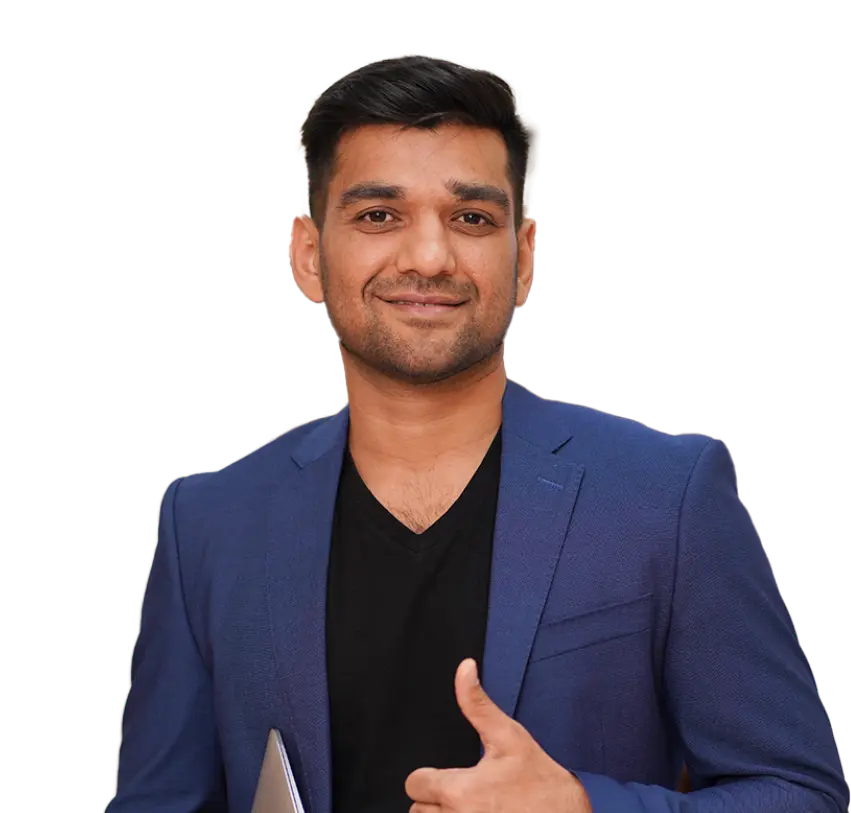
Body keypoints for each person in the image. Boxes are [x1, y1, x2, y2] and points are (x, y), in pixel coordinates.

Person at [108, 54, 849, 812]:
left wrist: (582, 808)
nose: (429, 258)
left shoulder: (665, 497)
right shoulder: (212, 522)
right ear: (308, 255)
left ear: (522, 259)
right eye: (378, 215)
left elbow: (800, 794)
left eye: (471, 218)